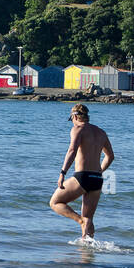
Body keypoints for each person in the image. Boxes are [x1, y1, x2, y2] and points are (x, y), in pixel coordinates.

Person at [50, 103, 115, 240]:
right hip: (97, 178)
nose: (72, 122)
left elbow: (72, 151)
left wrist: (62, 173)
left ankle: (80, 221)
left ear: (75, 116)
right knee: (89, 218)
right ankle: (87, 253)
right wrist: (100, 171)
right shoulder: (101, 132)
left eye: (72, 119)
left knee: (55, 203)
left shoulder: (77, 129)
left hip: (82, 177)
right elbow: (110, 156)